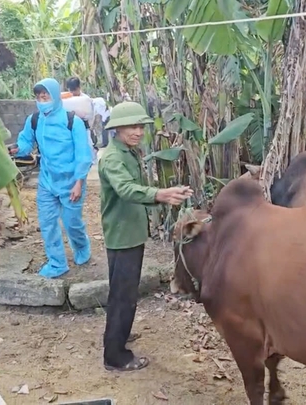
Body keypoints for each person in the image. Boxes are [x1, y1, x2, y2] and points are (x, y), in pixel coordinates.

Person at [99, 101, 193, 371]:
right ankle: (115, 356)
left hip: (129, 231)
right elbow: (127, 190)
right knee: (123, 295)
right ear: (117, 128)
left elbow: (136, 190)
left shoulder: (128, 152)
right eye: (132, 126)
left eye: (141, 126)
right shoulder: (114, 158)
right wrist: (160, 194)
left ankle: (117, 335)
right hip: (122, 235)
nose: (138, 131)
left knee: (124, 291)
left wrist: (165, 194)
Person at [9, 78, 93, 278]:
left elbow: (83, 154)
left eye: (45, 96)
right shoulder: (35, 120)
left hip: (72, 181)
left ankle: (82, 247)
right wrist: (16, 149)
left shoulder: (73, 121)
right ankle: (57, 262)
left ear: (54, 96)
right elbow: (26, 142)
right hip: (47, 181)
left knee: (71, 222)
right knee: (47, 223)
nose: (42, 100)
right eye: (38, 97)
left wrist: (79, 182)